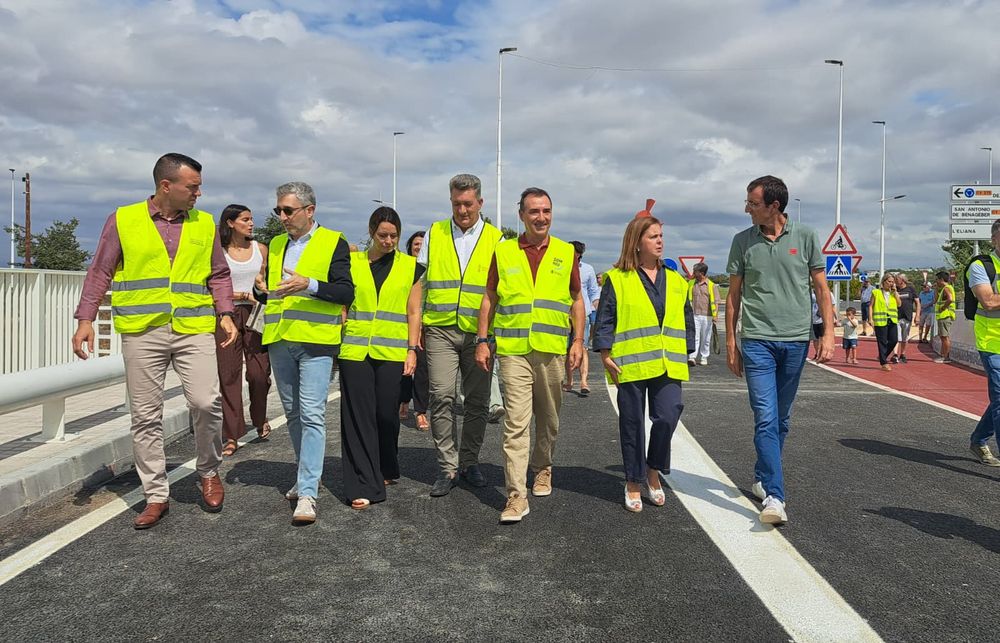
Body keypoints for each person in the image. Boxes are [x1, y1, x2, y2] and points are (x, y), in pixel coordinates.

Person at [71, 153, 237, 529]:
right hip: (142, 329)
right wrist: (86, 320)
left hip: (193, 326)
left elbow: (218, 273)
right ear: (166, 186)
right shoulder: (124, 220)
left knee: (206, 401)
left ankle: (208, 471)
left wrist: (225, 313)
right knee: (145, 416)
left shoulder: (205, 223)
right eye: (192, 186)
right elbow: (100, 270)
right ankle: (156, 494)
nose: (198, 192)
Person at [726, 175, 833, 526]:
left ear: (774, 206)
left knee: (781, 418)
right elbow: (733, 296)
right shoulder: (742, 241)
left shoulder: (806, 237)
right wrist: (731, 342)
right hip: (756, 340)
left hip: (796, 340)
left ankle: (761, 474)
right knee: (766, 416)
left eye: (752, 203)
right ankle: (774, 494)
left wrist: (828, 334)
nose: (746, 208)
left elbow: (821, 289)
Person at [476, 187, 584, 523]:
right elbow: (490, 297)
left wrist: (578, 340)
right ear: (521, 215)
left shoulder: (566, 253)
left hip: (551, 351)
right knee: (515, 424)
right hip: (513, 351)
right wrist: (483, 339)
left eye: (546, 211)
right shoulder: (505, 251)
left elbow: (576, 299)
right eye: (534, 211)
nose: (541, 217)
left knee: (548, 422)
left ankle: (544, 467)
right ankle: (515, 497)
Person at [259, 181, 354, 525]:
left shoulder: (334, 242)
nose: (282, 217)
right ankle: (303, 477)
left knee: (313, 414)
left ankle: (308, 493)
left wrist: (309, 285)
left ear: (309, 210)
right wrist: (261, 291)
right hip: (281, 338)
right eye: (278, 210)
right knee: (294, 414)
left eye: (288, 210)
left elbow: (345, 292)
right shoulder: (276, 243)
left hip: (315, 341)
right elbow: (277, 293)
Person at [594, 207, 692, 512]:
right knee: (633, 424)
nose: (660, 241)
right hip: (630, 362)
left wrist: (687, 351)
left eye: (661, 236)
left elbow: (685, 318)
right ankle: (634, 482)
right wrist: (605, 353)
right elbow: (606, 317)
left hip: (668, 362)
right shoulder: (618, 278)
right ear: (637, 242)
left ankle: (653, 470)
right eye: (653, 237)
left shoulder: (675, 280)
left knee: (668, 414)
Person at [417, 173, 504, 496]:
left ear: (480, 203)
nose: (462, 210)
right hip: (440, 329)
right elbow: (420, 283)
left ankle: (469, 461)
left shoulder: (497, 240)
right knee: (441, 395)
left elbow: (501, 291)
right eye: (456, 203)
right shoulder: (435, 232)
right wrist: (415, 334)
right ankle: (447, 467)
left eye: (468, 204)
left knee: (478, 401)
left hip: (479, 334)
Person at [340, 207, 423, 508]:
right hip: (355, 350)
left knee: (387, 415)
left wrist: (412, 349)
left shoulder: (411, 266)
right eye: (382, 235)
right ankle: (364, 482)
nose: (388, 241)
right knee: (358, 416)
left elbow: (414, 311)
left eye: (394, 236)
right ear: (371, 231)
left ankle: (387, 463)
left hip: (392, 350)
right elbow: (344, 302)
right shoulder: (352, 263)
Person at [216, 204, 271, 456]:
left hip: (256, 313)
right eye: (245, 219)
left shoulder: (260, 249)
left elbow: (263, 283)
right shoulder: (219, 251)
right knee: (229, 374)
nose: (251, 224)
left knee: (259, 374)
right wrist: (239, 295)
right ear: (230, 223)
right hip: (227, 314)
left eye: (252, 219)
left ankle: (259, 417)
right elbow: (211, 285)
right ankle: (231, 434)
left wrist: (262, 292)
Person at [965, 220, 1000, 467]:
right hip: (992, 343)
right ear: (994, 239)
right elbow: (988, 302)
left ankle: (978, 439)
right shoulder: (981, 266)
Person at [398, 230, 430, 431]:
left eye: (421, 244)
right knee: (403, 371)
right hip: (402, 326)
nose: (418, 247)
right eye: (415, 244)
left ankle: (420, 412)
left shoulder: (430, 270)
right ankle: (403, 402)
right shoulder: (401, 268)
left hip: (425, 326)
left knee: (422, 372)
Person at [563, 240, 600, 395]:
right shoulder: (561, 267)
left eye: (577, 254)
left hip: (583, 314)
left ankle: (584, 381)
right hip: (564, 313)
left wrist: (594, 307)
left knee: (582, 348)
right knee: (566, 350)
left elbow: (593, 290)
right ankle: (570, 381)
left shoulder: (587, 269)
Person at [687, 262, 719, 367]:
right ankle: (692, 357)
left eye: (695, 271)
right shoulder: (691, 284)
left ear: (701, 273)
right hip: (694, 314)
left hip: (707, 315)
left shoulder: (711, 286)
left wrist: (715, 315)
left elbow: (716, 302)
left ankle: (704, 357)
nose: (693, 273)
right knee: (694, 336)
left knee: (706, 337)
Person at [869, 273, 901, 371]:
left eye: (892, 282)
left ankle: (883, 355)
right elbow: (871, 306)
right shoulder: (876, 292)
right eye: (889, 281)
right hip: (880, 320)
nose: (891, 284)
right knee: (882, 342)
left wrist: (895, 293)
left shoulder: (894, 293)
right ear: (884, 282)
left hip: (892, 319)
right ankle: (884, 362)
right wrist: (870, 319)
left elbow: (899, 304)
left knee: (894, 340)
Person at [892, 273, 919, 363]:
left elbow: (917, 303)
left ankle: (902, 354)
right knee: (896, 337)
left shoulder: (911, 289)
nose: (895, 281)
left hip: (907, 316)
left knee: (904, 337)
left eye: (897, 279)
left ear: (902, 280)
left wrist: (917, 315)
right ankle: (895, 354)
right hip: (896, 316)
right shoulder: (894, 290)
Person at [933, 271, 955, 363]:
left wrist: (943, 307)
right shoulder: (944, 289)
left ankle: (946, 357)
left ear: (941, 279)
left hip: (945, 315)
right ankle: (943, 355)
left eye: (937, 279)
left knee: (945, 337)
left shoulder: (946, 288)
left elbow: (950, 299)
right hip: (943, 316)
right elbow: (936, 300)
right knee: (943, 336)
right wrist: (936, 289)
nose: (936, 281)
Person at [810, 289, 836, 361]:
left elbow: (832, 306)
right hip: (812, 320)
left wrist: (836, 318)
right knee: (815, 339)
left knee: (822, 338)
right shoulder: (811, 295)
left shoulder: (829, 294)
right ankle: (817, 353)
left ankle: (821, 353)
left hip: (822, 320)